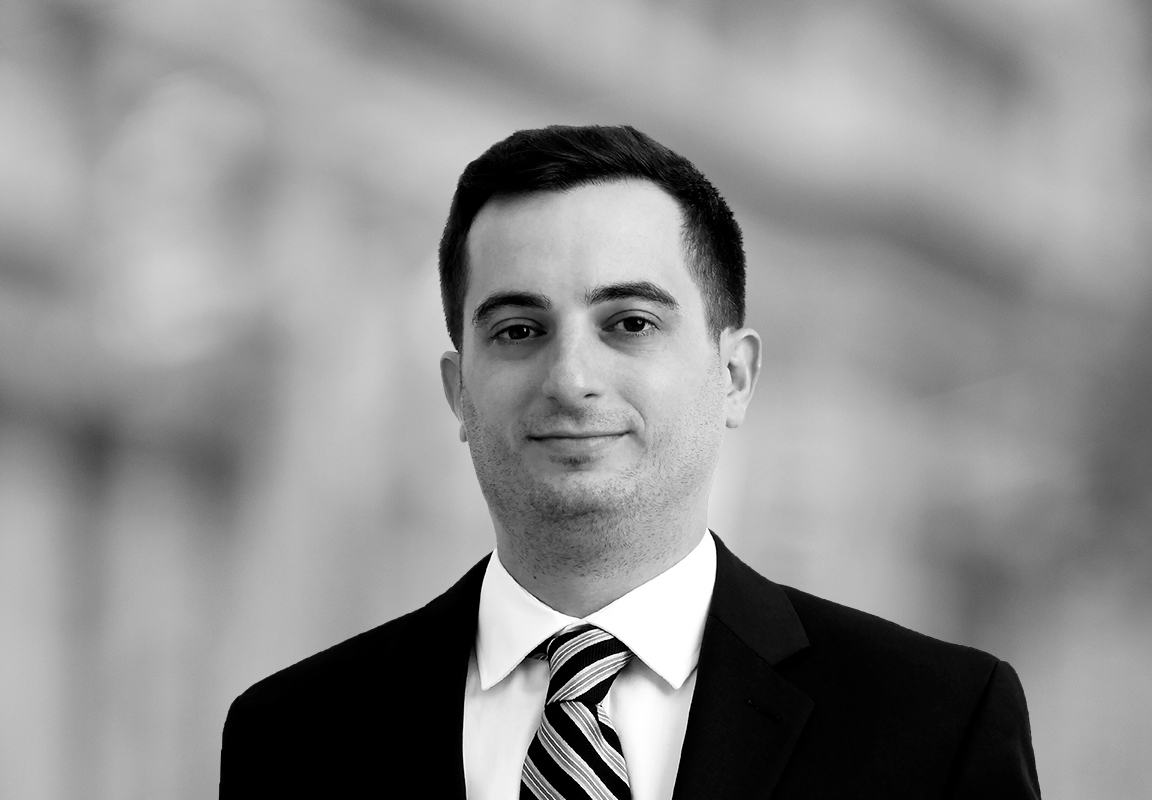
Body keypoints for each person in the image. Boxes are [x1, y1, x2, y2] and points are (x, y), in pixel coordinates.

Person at [220, 125, 1041, 799]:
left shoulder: (936, 724)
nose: (571, 379)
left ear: (734, 376)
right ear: (458, 391)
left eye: (630, 324)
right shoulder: (292, 736)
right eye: (518, 331)